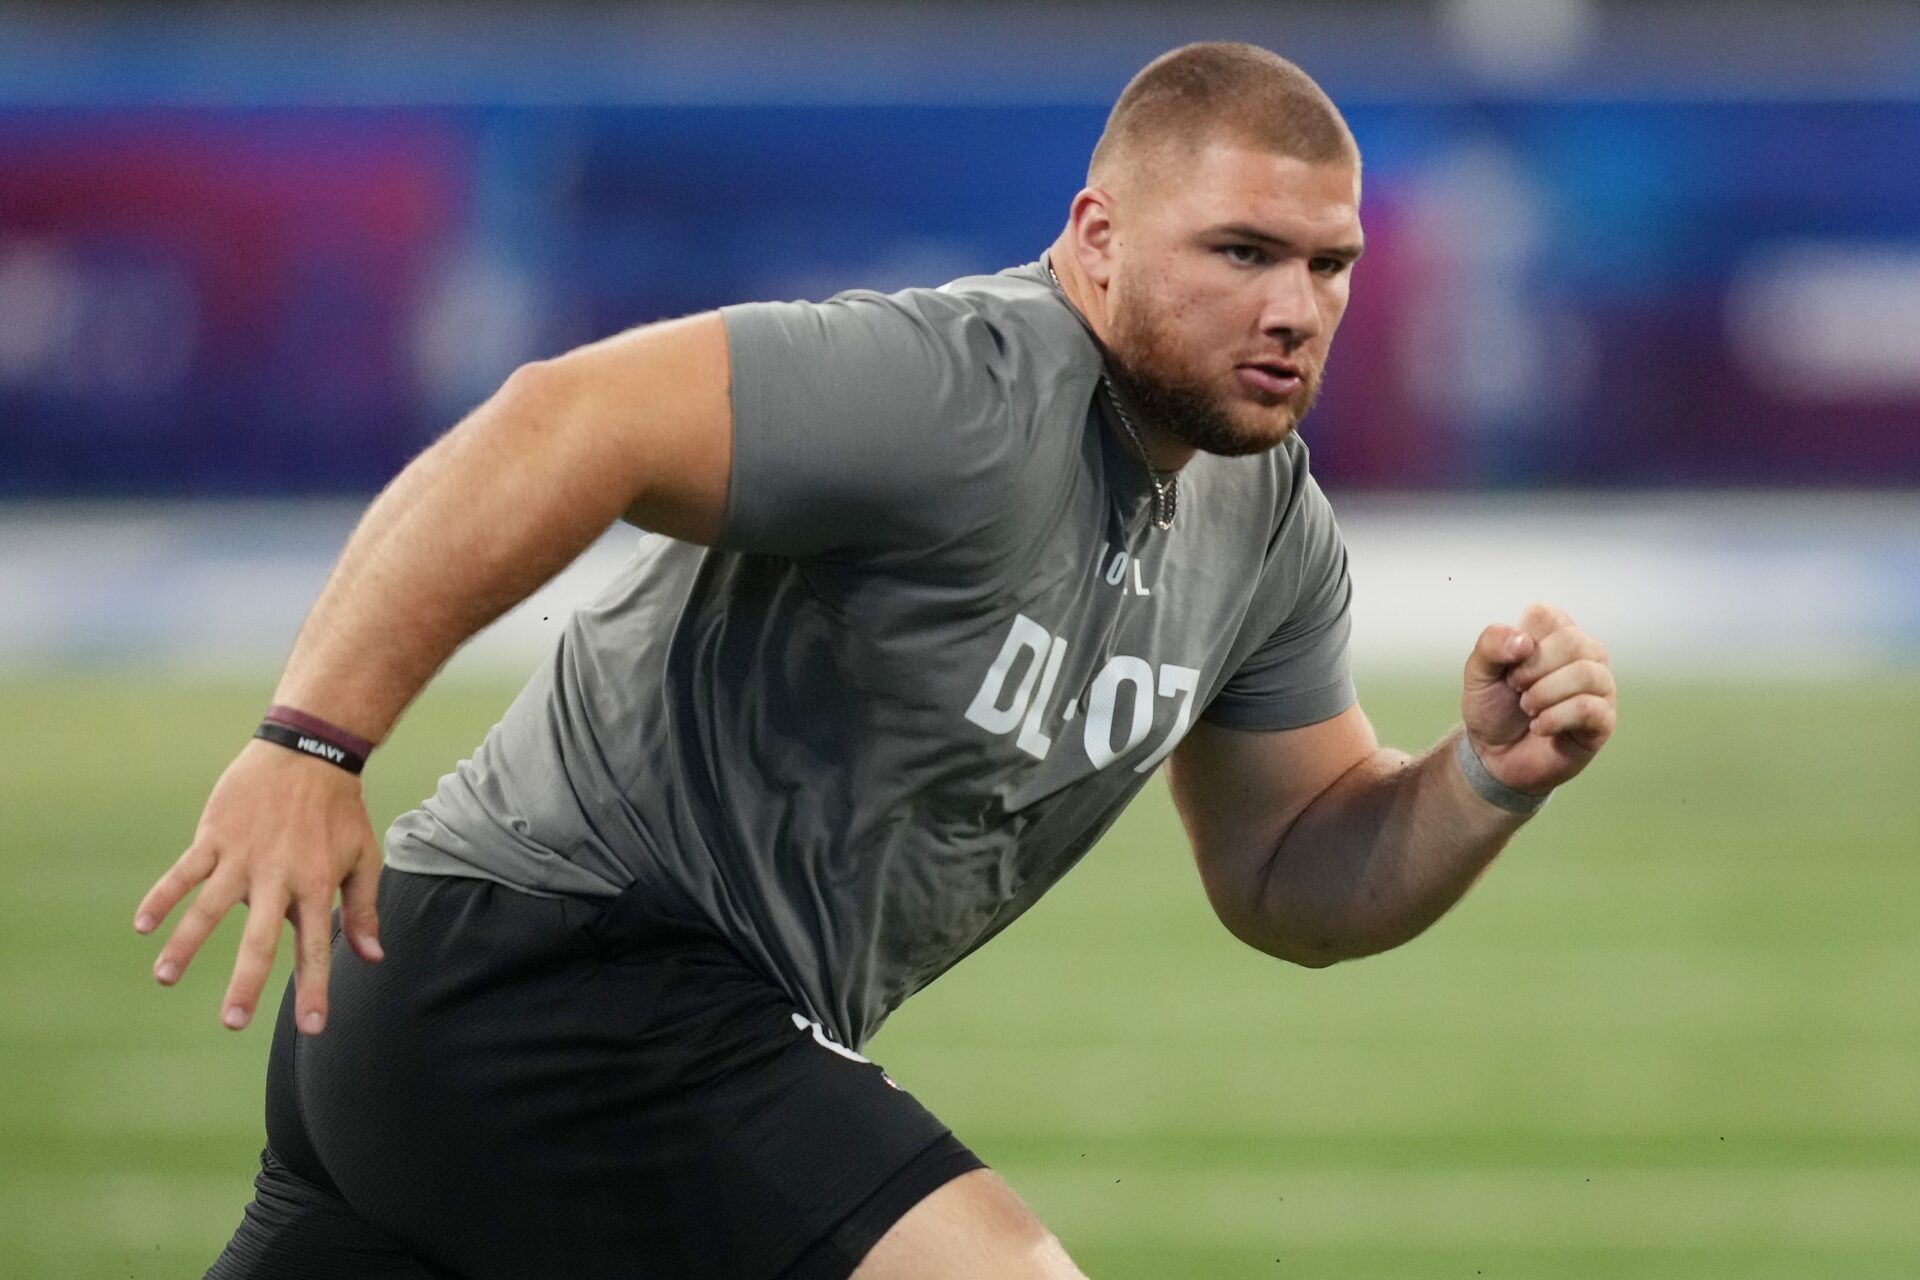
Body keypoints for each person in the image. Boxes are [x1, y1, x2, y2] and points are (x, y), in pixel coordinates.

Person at [136, 41, 1617, 1279]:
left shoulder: (1267, 526)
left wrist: (1483, 777)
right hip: (558, 972)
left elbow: (1294, 869)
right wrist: (309, 742)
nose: (1296, 308)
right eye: (1241, 252)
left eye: (1330, 262)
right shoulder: (960, 388)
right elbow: (561, 419)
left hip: (469, 1035)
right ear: (1097, 239)